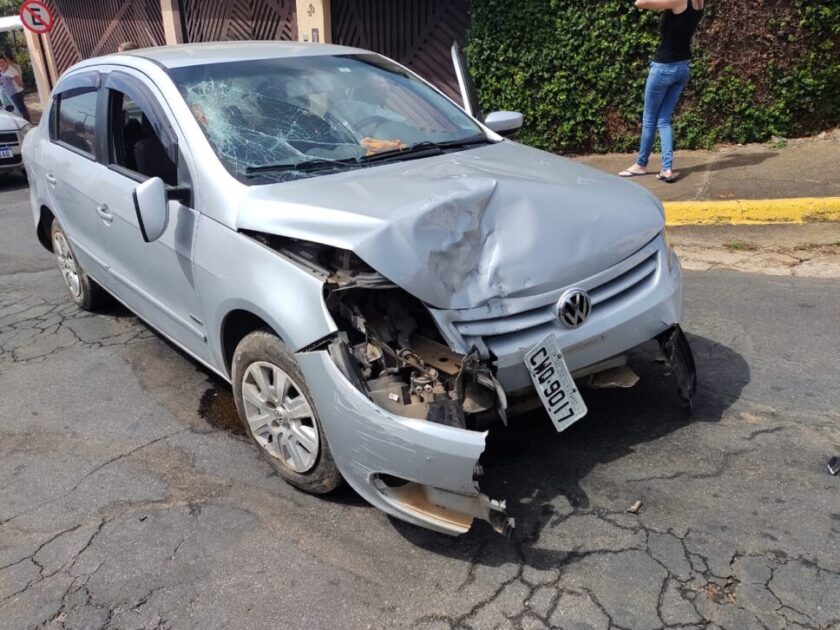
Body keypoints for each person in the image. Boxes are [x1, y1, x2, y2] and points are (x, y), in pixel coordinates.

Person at [619, 0, 704, 183]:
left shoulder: (679, 1)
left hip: (664, 68)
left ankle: (641, 165)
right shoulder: (700, 3)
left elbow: (640, 3)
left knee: (649, 119)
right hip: (683, 68)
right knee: (663, 120)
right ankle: (666, 169)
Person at [0, 50, 30, 122]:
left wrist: (21, 86)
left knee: (20, 109)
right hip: (11, 93)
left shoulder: (10, 70)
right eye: (0, 62)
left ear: (6, 62)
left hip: (16, 93)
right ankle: (25, 121)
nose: (1, 64)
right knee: (19, 108)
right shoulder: (3, 70)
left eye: (2, 62)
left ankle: (27, 122)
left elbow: (18, 80)